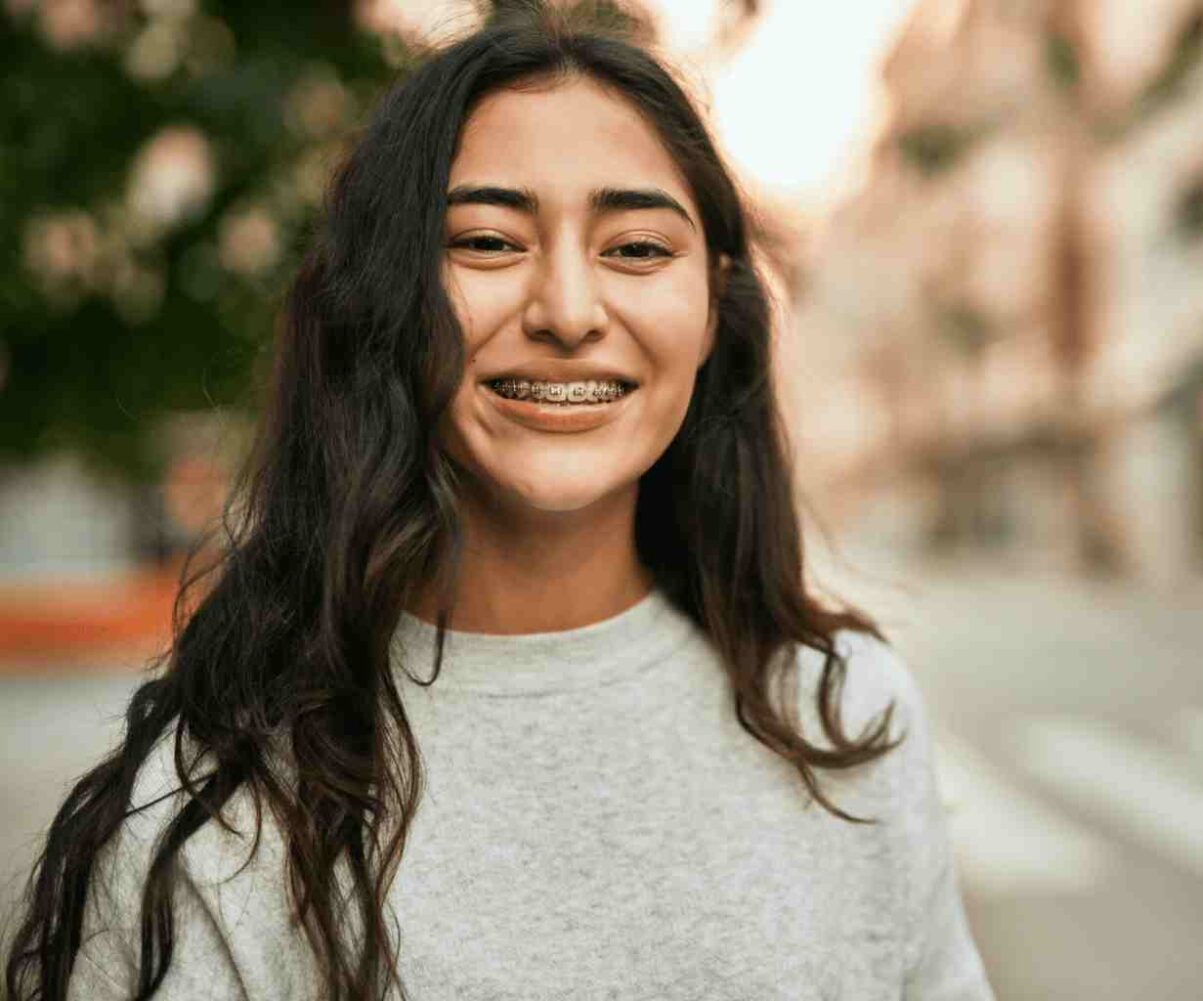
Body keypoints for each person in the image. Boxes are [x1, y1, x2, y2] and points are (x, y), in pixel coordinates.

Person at [4, 2, 995, 998]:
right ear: (386, 302)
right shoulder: (224, 802)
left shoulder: (843, 718)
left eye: (637, 248)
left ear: (712, 307)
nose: (567, 311)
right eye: (485, 241)